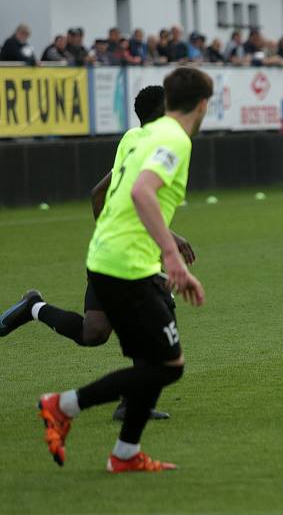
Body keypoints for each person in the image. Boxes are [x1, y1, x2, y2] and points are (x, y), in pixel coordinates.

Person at [35, 66, 212, 472]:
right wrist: (170, 254)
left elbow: (109, 191)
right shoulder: (173, 139)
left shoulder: (143, 135)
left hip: (109, 257)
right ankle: (61, 406)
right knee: (169, 366)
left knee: (152, 363)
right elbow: (141, 191)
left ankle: (125, 454)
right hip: (128, 265)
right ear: (202, 105)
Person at [0, 86, 193, 421]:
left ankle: (34, 307)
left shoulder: (130, 139)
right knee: (159, 326)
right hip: (130, 258)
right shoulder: (154, 145)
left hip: (106, 253)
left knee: (94, 333)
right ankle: (129, 408)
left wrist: (108, 232)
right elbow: (138, 196)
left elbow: (99, 192)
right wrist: (169, 237)